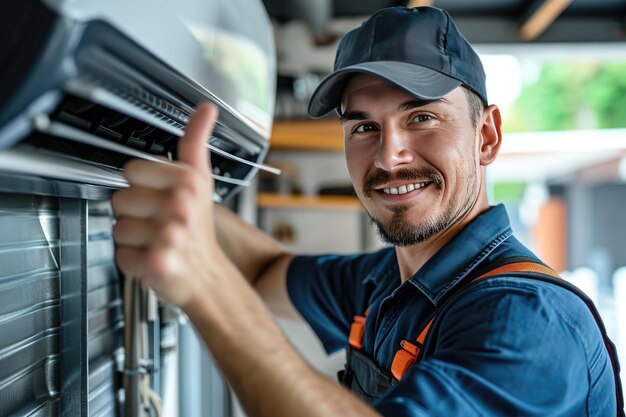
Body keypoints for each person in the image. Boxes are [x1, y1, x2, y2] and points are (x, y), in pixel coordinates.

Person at [111, 6, 623, 417]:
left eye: (421, 117)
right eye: (363, 127)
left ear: (486, 136)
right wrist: (182, 204)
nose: (387, 156)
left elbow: (236, 282)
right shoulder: (384, 285)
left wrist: (207, 289)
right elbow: (267, 270)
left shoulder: (527, 320)